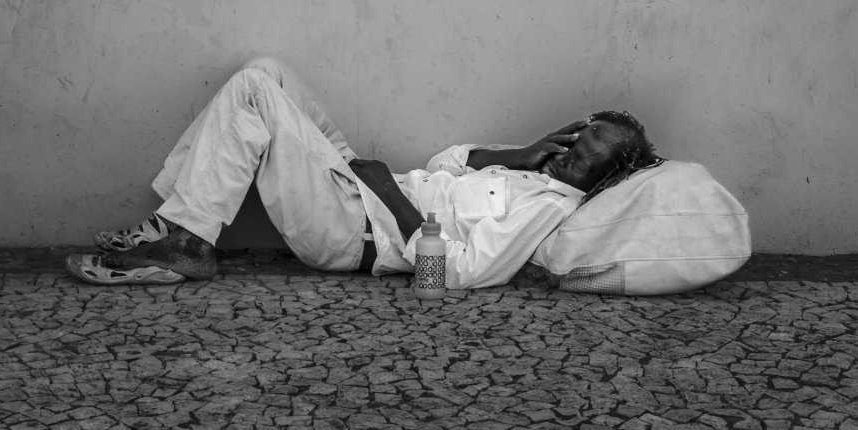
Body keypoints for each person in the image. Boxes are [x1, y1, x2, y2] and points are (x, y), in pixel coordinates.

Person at [65, 57, 660, 289]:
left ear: (607, 175)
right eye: (578, 136)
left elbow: (461, 272)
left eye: (589, 152)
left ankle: (188, 242)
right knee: (267, 70)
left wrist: (388, 195)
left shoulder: (546, 210)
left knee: (251, 92)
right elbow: (444, 164)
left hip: (353, 232)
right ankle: (177, 225)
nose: (574, 149)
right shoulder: (534, 171)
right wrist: (518, 153)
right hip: (361, 191)